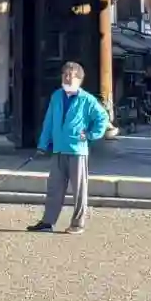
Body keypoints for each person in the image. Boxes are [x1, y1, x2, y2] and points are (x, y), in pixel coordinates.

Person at [30, 60, 110, 235]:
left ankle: (78, 223)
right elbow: (49, 121)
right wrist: (43, 144)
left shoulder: (87, 99)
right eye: (64, 75)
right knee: (54, 188)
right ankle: (47, 221)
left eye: (70, 76)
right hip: (59, 149)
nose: (66, 78)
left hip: (77, 150)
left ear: (79, 79)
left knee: (79, 190)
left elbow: (103, 118)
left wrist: (91, 135)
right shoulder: (56, 96)